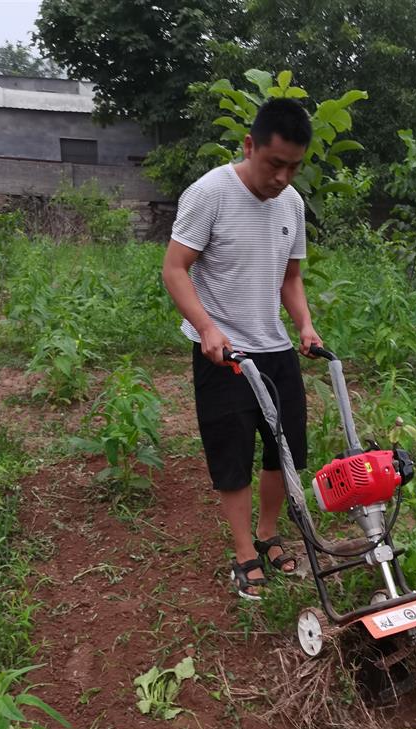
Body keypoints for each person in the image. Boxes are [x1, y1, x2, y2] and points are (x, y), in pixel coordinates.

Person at [162, 97, 322, 600]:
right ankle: (243, 552)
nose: (283, 177)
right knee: (232, 454)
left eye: (294, 167)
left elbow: (290, 277)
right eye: (275, 163)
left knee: (285, 451)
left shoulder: (291, 203)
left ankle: (270, 533)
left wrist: (306, 323)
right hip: (223, 351)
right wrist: (207, 328)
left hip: (274, 347)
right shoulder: (209, 193)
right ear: (250, 146)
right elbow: (174, 269)